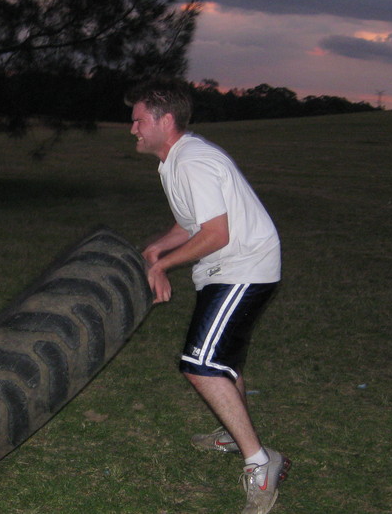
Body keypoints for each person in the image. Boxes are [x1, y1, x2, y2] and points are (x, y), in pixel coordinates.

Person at [125, 78, 290, 514]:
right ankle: (230, 432)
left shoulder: (192, 160)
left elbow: (217, 234)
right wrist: (160, 245)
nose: (133, 129)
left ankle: (260, 463)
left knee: (200, 365)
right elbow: (196, 222)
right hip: (231, 268)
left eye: (139, 120)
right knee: (224, 361)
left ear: (164, 119)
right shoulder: (176, 161)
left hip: (242, 267)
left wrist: (162, 266)